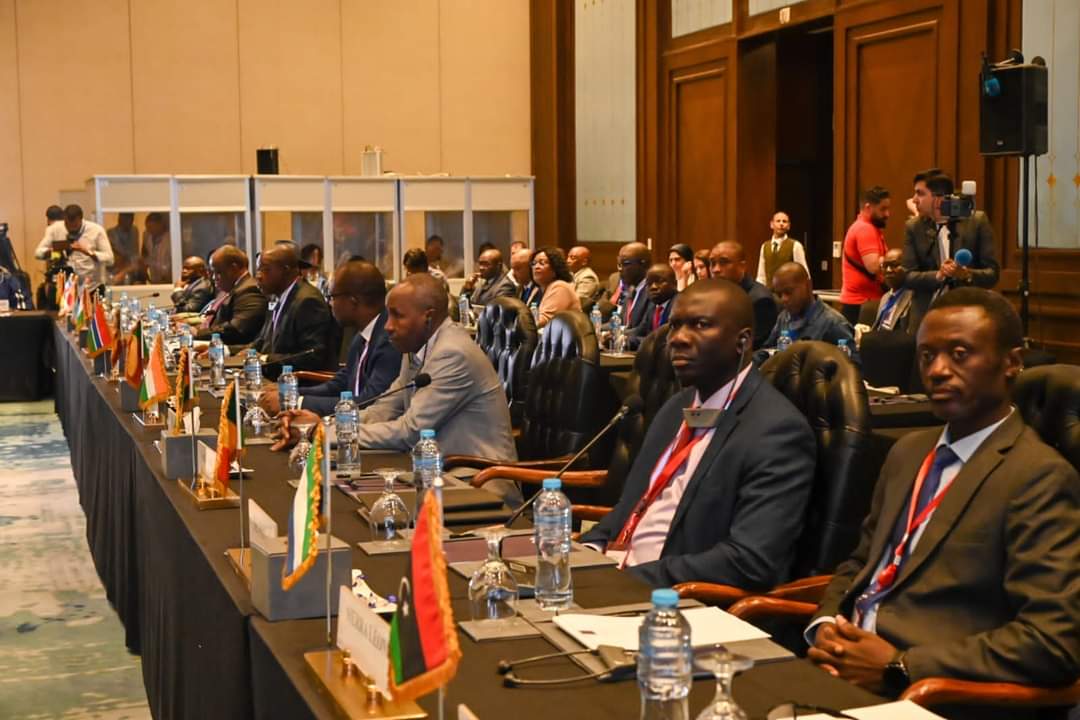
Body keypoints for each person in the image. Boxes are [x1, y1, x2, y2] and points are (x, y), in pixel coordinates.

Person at [807, 289, 1080, 712]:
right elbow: (861, 563)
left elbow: (1052, 641)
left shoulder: (1039, 477)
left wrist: (901, 667)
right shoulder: (906, 452)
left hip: (932, 696)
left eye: (959, 354)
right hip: (841, 669)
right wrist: (826, 623)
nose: (937, 370)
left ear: (1012, 362)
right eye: (927, 356)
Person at [580, 279, 816, 587]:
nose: (678, 338)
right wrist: (586, 553)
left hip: (673, 595)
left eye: (700, 325)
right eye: (675, 325)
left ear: (743, 341)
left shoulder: (776, 431)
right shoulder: (675, 408)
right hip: (616, 576)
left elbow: (750, 560)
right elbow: (629, 508)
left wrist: (625, 580)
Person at [273, 273, 521, 505]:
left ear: (428, 317)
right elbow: (383, 409)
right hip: (435, 471)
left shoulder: (452, 354)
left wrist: (322, 433)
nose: (388, 326)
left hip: (479, 480)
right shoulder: (416, 347)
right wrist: (325, 424)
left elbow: (409, 431)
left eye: (397, 316)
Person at [260, 260, 400, 417]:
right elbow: (341, 383)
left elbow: (369, 402)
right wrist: (291, 393)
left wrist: (295, 402)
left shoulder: (390, 340)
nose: (329, 303)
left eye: (332, 297)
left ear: (352, 301)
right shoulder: (362, 336)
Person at [902, 170, 999, 319]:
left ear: (938, 198)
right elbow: (907, 276)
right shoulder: (914, 227)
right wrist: (939, 275)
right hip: (928, 314)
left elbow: (992, 274)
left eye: (920, 193)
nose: (914, 200)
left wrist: (966, 274)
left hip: (968, 313)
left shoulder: (976, 222)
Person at [236, 244, 335, 375]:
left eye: (265, 270)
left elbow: (312, 356)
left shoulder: (308, 301)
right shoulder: (276, 296)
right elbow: (263, 341)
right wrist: (233, 352)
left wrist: (266, 359)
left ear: (285, 270)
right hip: (269, 376)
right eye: (258, 270)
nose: (258, 276)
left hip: (294, 381)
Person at [758, 262, 857, 363]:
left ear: (808, 285)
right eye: (779, 294)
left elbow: (853, 367)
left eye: (788, 292)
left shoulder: (834, 323)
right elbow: (767, 350)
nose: (784, 299)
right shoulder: (784, 317)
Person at [708, 241, 777, 350]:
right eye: (712, 263)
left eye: (724, 262)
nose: (716, 269)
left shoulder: (760, 300)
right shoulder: (717, 295)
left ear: (742, 266)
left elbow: (750, 347)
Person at [839, 186, 892, 324]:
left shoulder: (868, 228)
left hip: (862, 303)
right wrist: (896, 260)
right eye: (883, 209)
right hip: (860, 305)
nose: (887, 214)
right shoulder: (865, 229)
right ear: (868, 207)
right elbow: (873, 266)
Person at [195, 245, 268, 345]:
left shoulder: (250, 290)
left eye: (218, 272)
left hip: (231, 349)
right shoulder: (234, 287)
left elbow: (235, 329)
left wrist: (198, 334)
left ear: (233, 268)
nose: (214, 277)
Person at [35, 204, 114, 290]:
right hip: (64, 287)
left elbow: (110, 259)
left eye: (75, 226)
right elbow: (38, 253)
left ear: (81, 219)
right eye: (67, 225)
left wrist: (88, 252)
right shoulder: (54, 229)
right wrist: (55, 252)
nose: (71, 229)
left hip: (92, 287)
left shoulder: (96, 231)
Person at [599, 242, 651, 328]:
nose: (620, 269)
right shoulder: (632, 289)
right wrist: (595, 329)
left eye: (626, 264)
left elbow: (643, 330)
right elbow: (619, 322)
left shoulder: (652, 293)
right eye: (619, 265)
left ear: (644, 264)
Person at [627, 263, 677, 350]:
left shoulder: (679, 305)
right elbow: (639, 331)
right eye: (649, 283)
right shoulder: (653, 306)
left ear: (675, 284)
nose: (653, 287)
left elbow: (663, 340)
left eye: (660, 281)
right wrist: (617, 335)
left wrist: (631, 341)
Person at [530, 247, 581, 327]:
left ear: (555, 268)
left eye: (542, 263)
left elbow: (544, 320)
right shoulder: (537, 289)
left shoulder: (560, 287)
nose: (536, 267)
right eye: (534, 263)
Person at [756, 211, 809, 288]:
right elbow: (761, 275)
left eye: (784, 221)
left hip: (788, 291)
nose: (781, 224)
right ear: (771, 224)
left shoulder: (795, 245)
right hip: (769, 291)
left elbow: (803, 273)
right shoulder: (765, 246)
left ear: (789, 226)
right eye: (778, 221)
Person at [869, 249, 916, 333]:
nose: (888, 270)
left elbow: (909, 335)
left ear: (906, 267)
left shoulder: (914, 298)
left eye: (894, 265)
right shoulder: (885, 297)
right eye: (885, 266)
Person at [141, 212, 171, 282]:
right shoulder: (147, 236)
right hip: (153, 278)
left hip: (167, 279)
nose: (149, 230)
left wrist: (166, 279)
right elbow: (144, 252)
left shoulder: (170, 240)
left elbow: (171, 265)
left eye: (151, 227)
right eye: (147, 227)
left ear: (160, 225)